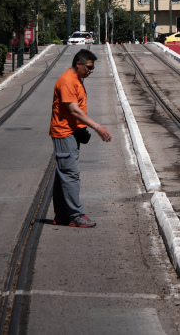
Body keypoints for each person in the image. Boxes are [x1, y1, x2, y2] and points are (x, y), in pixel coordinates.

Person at [48, 49, 112, 227]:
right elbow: (73, 110)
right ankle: (76, 215)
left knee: (63, 175)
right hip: (64, 132)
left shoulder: (77, 79)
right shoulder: (68, 81)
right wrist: (97, 127)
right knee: (70, 174)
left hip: (71, 132)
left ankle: (61, 215)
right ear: (79, 64)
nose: (91, 71)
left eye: (92, 68)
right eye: (89, 67)